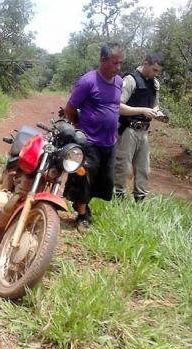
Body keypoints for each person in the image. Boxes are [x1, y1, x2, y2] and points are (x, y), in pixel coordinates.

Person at [63, 42, 124, 231]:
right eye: (115, 63)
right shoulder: (88, 81)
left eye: (121, 63)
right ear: (102, 60)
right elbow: (70, 108)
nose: (118, 67)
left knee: (103, 180)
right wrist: (78, 126)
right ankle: (81, 215)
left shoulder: (119, 82)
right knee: (83, 179)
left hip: (110, 141)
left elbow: (114, 107)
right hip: (89, 141)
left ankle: (84, 205)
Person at [114, 52, 164, 202]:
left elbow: (155, 103)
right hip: (127, 129)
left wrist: (156, 112)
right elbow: (118, 106)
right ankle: (118, 198)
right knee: (123, 167)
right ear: (146, 63)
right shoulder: (130, 80)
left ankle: (140, 200)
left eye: (158, 72)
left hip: (144, 131)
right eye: (154, 70)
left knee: (144, 168)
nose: (156, 74)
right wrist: (142, 110)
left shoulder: (155, 84)